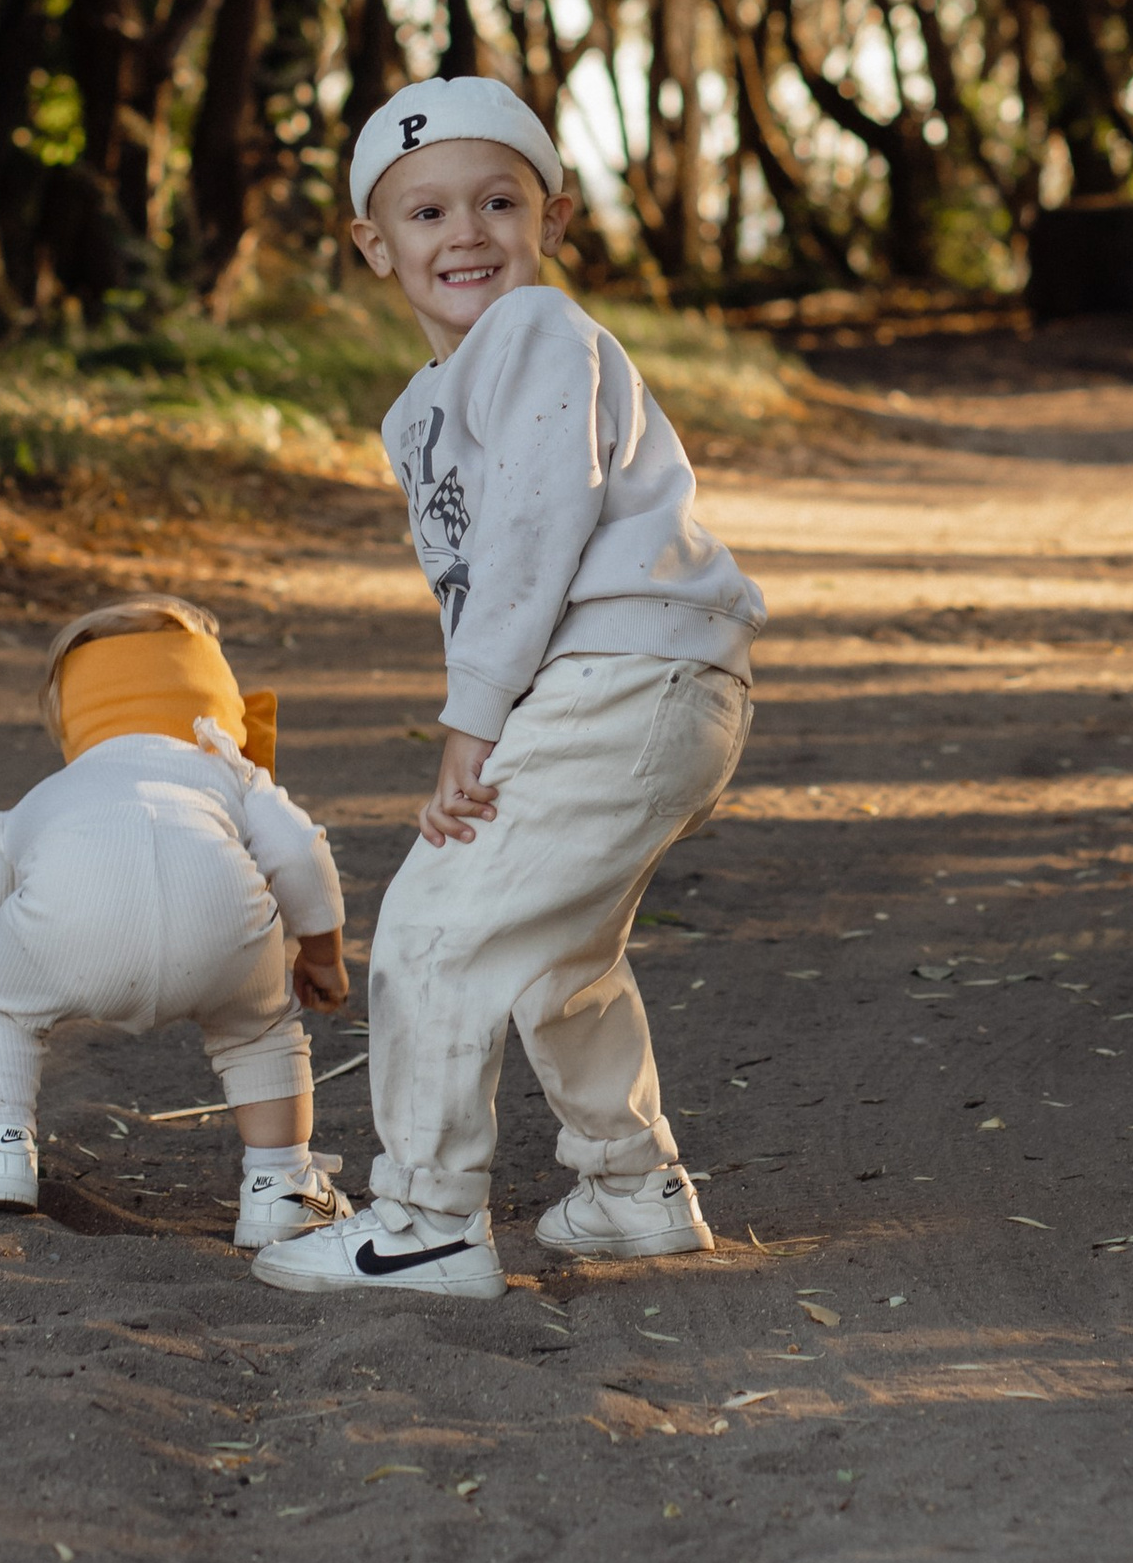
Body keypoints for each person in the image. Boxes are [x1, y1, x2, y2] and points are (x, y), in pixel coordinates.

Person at [256, 78, 764, 1303]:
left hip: (623, 674)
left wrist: (470, 726)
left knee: (435, 928)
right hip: (625, 689)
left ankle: (425, 1220)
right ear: (376, 245)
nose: (466, 233)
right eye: (427, 214)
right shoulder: (416, 411)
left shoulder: (539, 333)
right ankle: (630, 1192)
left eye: (497, 201)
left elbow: (536, 534)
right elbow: (475, 576)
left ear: (552, 216)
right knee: (554, 954)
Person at [0, 595, 351, 1248]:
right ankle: (284, 1186)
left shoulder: (51, 795)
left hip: (70, 930)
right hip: (224, 930)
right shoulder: (231, 774)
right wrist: (321, 953)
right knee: (261, 1029)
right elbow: (299, 851)